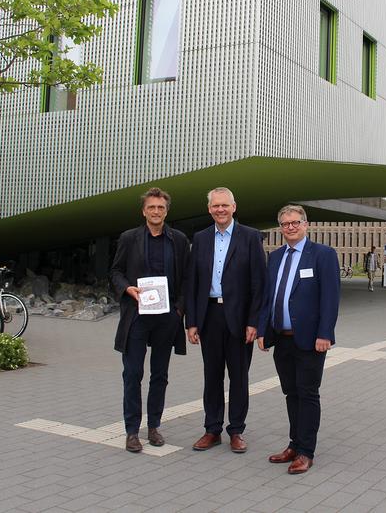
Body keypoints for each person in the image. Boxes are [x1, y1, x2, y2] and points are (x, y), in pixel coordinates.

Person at [256, 205, 340, 474]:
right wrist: (262, 330)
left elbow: (330, 298)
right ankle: (294, 444)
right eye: (285, 224)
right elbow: (268, 298)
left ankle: (306, 451)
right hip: (282, 338)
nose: (290, 227)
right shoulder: (276, 257)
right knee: (290, 393)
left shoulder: (323, 255)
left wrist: (325, 333)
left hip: (311, 340)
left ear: (306, 224)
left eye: (295, 222)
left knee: (307, 393)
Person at [186, 187, 266, 453]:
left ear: (234, 207)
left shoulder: (251, 237)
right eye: (215, 206)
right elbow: (193, 282)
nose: (220, 210)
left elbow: (259, 284)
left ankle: (236, 430)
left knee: (239, 377)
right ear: (209, 209)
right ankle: (212, 429)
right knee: (212, 376)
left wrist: (254, 322)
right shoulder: (200, 238)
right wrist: (192, 321)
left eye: (225, 205)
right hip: (209, 316)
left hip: (240, 320)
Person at [110, 187, 190, 453]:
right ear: (144, 211)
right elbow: (116, 271)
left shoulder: (177, 239)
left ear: (167, 211)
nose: (156, 212)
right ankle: (132, 431)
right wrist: (127, 289)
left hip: (166, 318)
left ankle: (154, 426)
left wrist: (178, 309)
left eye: (161, 208)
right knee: (133, 373)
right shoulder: (129, 238)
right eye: (151, 207)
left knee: (160, 374)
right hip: (137, 316)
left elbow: (186, 278)